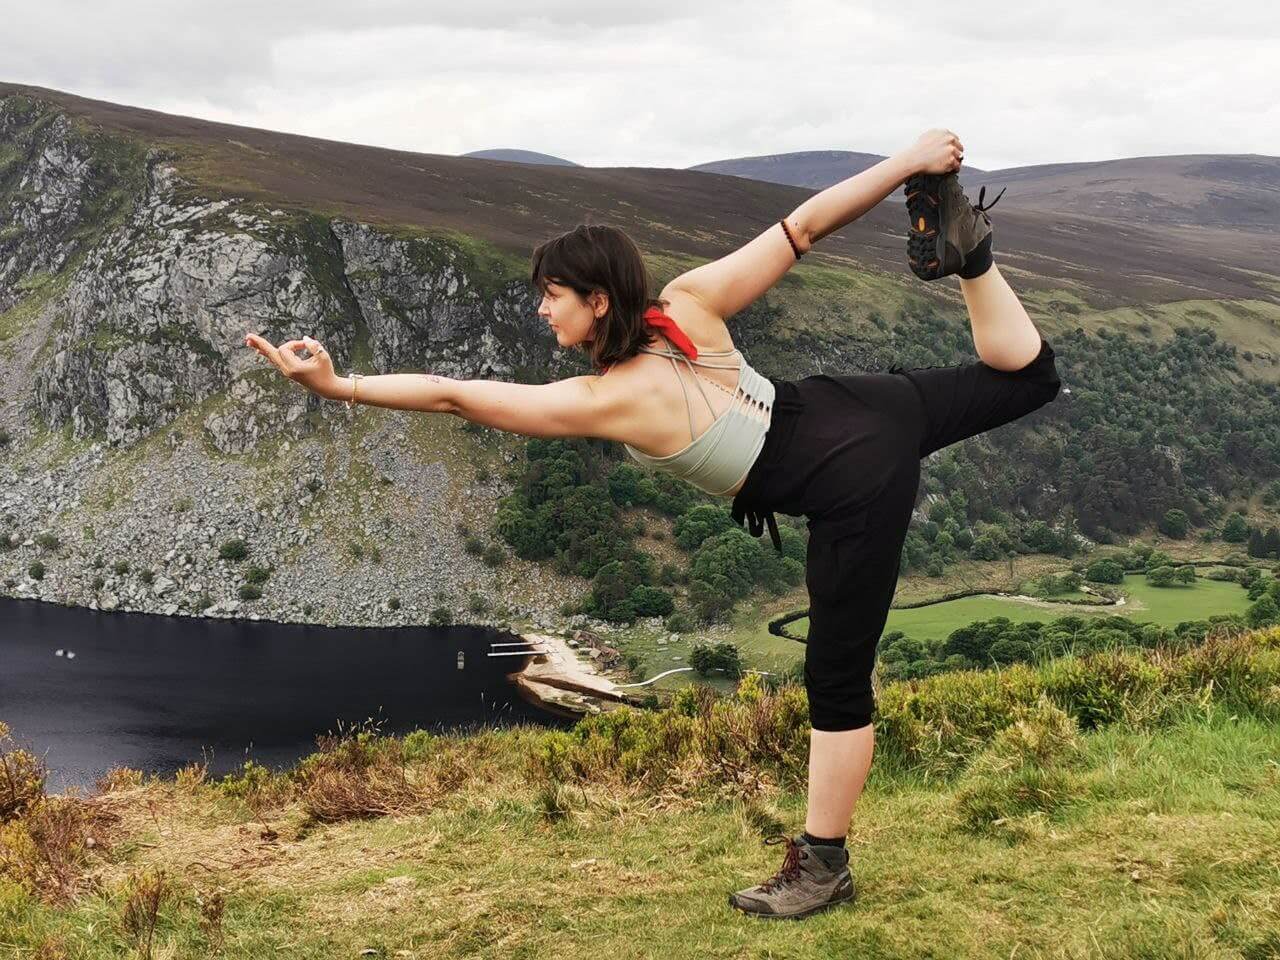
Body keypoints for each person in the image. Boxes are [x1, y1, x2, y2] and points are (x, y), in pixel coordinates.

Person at [244, 127, 1062, 921]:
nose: (540, 310)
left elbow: (459, 394)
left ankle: (823, 866)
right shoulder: (688, 303)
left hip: (849, 485)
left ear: (597, 301)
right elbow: (805, 225)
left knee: (836, 683)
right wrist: (908, 163)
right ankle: (972, 254)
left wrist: (339, 385)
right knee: (1026, 377)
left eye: (552, 296)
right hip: (852, 406)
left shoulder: (609, 399)